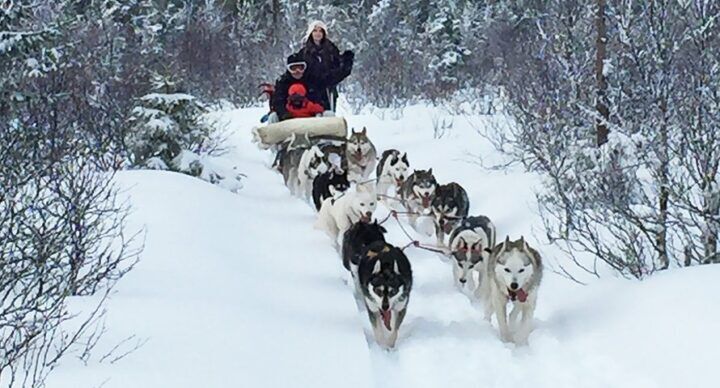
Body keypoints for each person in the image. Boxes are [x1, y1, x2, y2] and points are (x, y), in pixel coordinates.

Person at [268, 51, 353, 123]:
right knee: (273, 116)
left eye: (300, 68)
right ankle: (271, 141)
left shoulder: (312, 80)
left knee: (329, 114)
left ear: (304, 68)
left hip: (311, 120)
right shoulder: (282, 82)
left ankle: (329, 141)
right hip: (288, 119)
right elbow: (278, 102)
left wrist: (346, 66)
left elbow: (332, 79)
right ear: (288, 69)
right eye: (293, 68)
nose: (297, 71)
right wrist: (284, 114)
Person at [298, 21, 350, 112]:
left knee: (328, 118)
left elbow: (340, 69)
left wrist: (347, 62)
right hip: (310, 91)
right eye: (315, 31)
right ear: (311, 33)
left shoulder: (331, 49)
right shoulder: (304, 52)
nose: (318, 33)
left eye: (320, 31)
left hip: (328, 91)